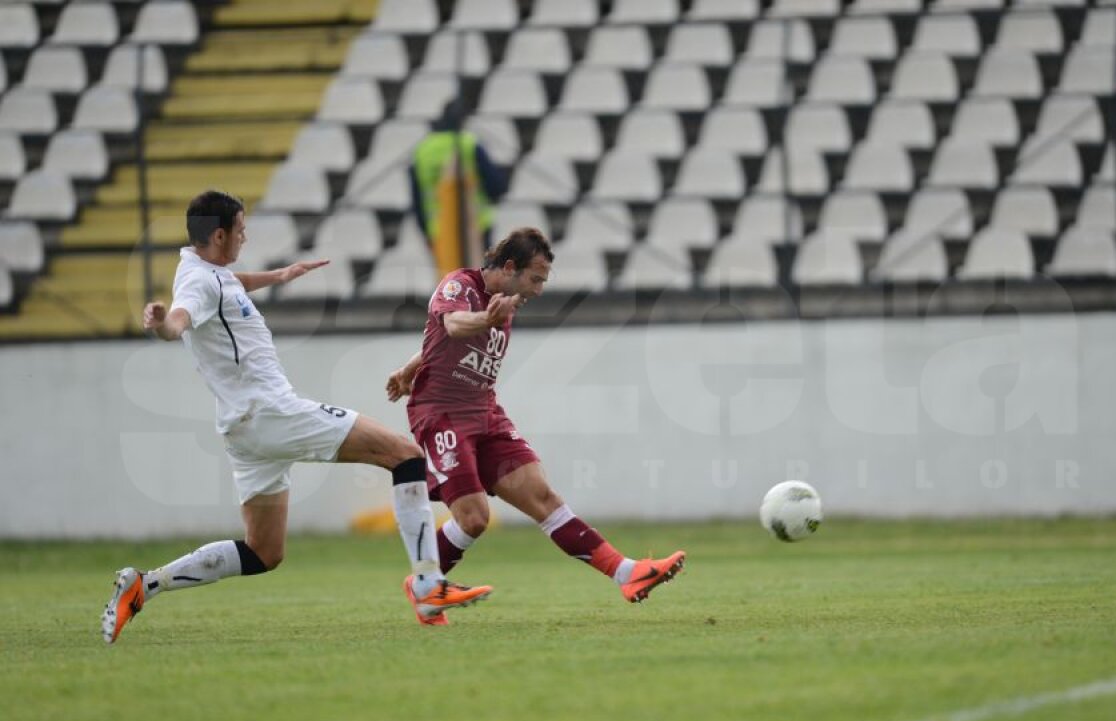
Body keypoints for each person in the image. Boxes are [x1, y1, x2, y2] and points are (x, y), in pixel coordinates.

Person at [101, 190, 492, 644]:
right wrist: (163, 324)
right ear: (221, 233)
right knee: (405, 456)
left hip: (243, 429)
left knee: (263, 551)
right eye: (242, 230)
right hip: (271, 411)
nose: (245, 237)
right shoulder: (198, 284)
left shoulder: (207, 270)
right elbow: (181, 319)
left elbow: (230, 283)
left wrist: (280, 275)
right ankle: (427, 585)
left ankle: (143, 586)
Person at [385, 227, 685, 626]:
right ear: (510, 268)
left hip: (486, 412)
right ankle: (425, 588)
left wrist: (409, 367)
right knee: (474, 518)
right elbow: (454, 325)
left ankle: (627, 574)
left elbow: (438, 339)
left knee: (543, 498)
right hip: (442, 414)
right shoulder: (461, 285)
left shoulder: (503, 303)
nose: (539, 290)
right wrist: (482, 320)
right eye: (535, 279)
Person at [409, 99, 507, 272]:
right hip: (476, 227)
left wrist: (426, 232)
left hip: (438, 231)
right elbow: (496, 187)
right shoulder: (469, 144)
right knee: (478, 287)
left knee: (451, 287)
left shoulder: (422, 150)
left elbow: (417, 201)